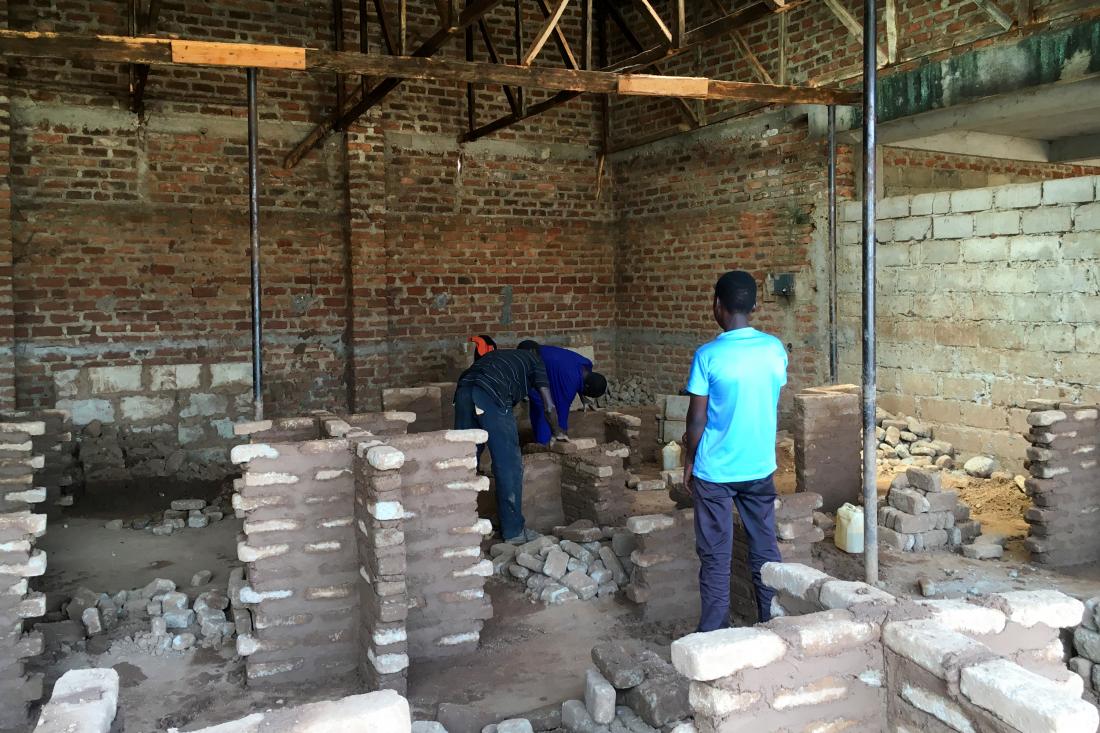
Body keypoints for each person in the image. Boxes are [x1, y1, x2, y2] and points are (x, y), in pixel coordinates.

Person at [682, 270, 788, 631]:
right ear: (755, 306)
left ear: (716, 306)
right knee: (765, 549)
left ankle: (713, 636)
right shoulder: (774, 348)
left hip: (715, 472)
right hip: (759, 468)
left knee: (715, 557)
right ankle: (773, 623)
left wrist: (688, 460)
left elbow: (696, 421)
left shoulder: (708, 355)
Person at [454, 347, 567, 544]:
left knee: (465, 459)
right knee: (509, 464)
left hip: (463, 391)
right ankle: (514, 531)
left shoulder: (503, 357)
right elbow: (549, 406)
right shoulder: (535, 362)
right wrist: (557, 431)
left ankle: (458, 525)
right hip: (491, 394)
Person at [517, 340, 607, 445]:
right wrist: (562, 434)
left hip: (544, 355)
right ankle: (543, 445)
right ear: (586, 386)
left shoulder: (586, 364)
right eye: (587, 393)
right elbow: (561, 413)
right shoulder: (569, 386)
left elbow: (580, 383)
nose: (585, 394)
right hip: (528, 365)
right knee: (543, 406)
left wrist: (583, 398)